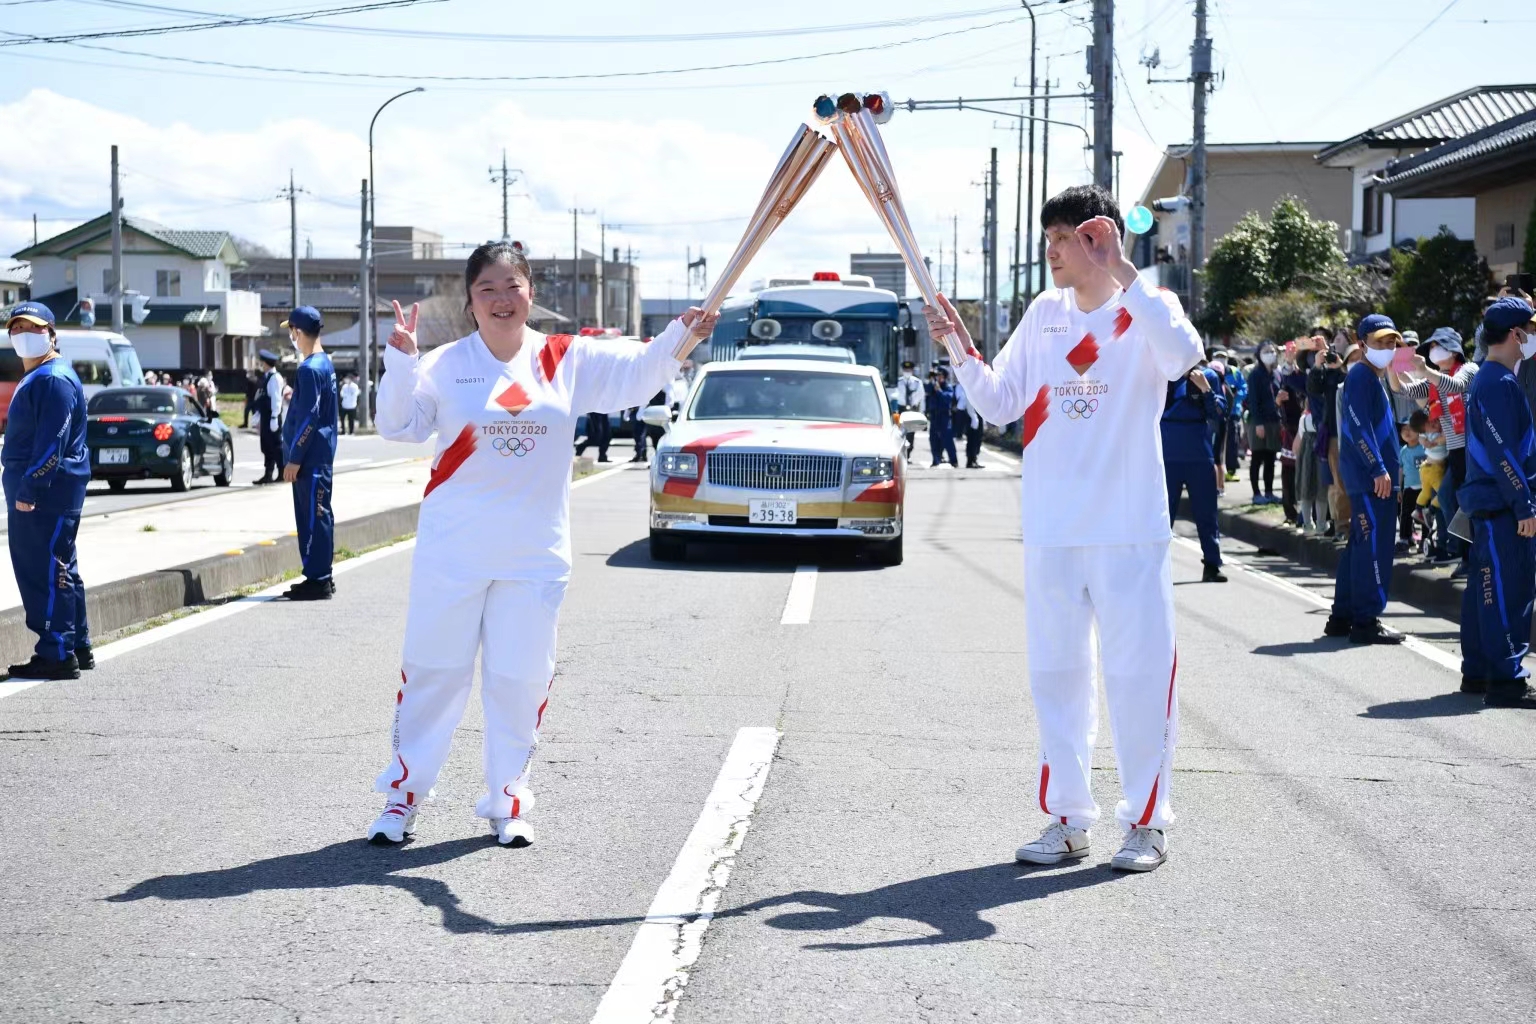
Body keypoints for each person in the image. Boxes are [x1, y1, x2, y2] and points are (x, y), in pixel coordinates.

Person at [367, 241, 718, 846]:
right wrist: (401, 363)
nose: (502, 299)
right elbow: (398, 425)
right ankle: (402, 799)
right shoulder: (446, 364)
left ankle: (508, 801)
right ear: (470, 300)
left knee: (519, 677)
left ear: (531, 292)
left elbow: (636, 375)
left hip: (533, 554)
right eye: (488, 289)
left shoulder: (564, 357)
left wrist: (683, 334)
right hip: (455, 551)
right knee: (434, 674)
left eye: (513, 286)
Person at [926, 184, 1202, 873]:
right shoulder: (1044, 314)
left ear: (1097, 238)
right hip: (1052, 528)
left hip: (1128, 529)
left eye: (1062, 239)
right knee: (1056, 676)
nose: (1050, 252)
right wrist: (962, 351)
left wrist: (1126, 272)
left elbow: (1183, 357)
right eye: (1047, 239)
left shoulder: (1148, 307)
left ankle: (1146, 823)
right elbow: (999, 403)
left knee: (1138, 676)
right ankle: (1067, 820)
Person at [2, 302, 92, 680]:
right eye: (17, 328)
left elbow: (50, 442)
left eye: (34, 328)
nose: (24, 334)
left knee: (44, 568)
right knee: (62, 565)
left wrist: (31, 487)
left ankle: (56, 651)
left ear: (52, 334)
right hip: (52, 489)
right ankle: (76, 644)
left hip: (45, 492)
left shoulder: (52, 378)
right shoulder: (44, 374)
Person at [1458, 296, 1536, 707]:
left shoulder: (1488, 379)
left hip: (1490, 502)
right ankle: (1506, 680)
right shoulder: (1499, 383)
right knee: (1509, 591)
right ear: (1515, 334)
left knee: (1483, 590)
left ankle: (1479, 672)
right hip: (1503, 506)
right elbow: (1505, 454)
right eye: (1531, 329)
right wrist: (1524, 505)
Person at [1324, 314, 1405, 645]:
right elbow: (1358, 427)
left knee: (1359, 547)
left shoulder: (1374, 377)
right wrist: (1378, 469)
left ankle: (1342, 616)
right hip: (1372, 480)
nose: (1387, 348)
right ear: (1362, 344)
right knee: (1373, 547)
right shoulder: (1361, 376)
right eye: (1380, 342)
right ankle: (1366, 621)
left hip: (1371, 479)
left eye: (1391, 343)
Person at [1396, 327, 1475, 573]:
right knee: (1450, 499)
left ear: (1453, 348)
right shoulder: (1434, 380)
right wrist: (1392, 366)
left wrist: (1425, 371)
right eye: (1429, 348)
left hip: (1472, 451)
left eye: (1436, 346)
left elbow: (1456, 386)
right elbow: (1404, 389)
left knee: (1459, 499)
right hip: (1454, 452)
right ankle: (1464, 553)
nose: (1432, 351)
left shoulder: (1468, 369)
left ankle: (1469, 554)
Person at [279, 307, 339, 601]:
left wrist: (294, 458)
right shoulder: (325, 364)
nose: (290, 336)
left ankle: (318, 579)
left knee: (313, 516)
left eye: (290, 330)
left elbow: (309, 417)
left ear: (297, 332)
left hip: (310, 458)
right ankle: (322, 575)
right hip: (320, 455)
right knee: (321, 513)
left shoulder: (309, 369)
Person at [1163, 363, 1227, 582]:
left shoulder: (1207, 375)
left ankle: (1212, 564)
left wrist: (1206, 389)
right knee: (1163, 515)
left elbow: (1219, 412)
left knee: (1206, 513)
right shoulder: (1163, 372)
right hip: (1167, 453)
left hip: (1199, 453)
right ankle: (1156, 567)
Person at [1246, 341, 1282, 505]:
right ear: (1259, 354)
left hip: (1274, 421)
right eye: (1266, 351)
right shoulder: (1255, 375)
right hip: (1258, 422)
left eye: (1272, 350)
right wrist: (1259, 423)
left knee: (1270, 458)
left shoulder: (1276, 374)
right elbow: (1253, 401)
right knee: (1257, 458)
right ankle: (1256, 493)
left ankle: (1269, 492)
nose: (1270, 353)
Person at [252, 350, 284, 484]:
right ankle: (268, 474)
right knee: (266, 446)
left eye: (262, 363)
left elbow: (276, 399)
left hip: (272, 417)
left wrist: (274, 417)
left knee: (276, 446)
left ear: (266, 363)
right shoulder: (267, 377)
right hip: (266, 416)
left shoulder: (275, 377)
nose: (261, 365)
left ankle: (282, 472)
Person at [1397, 412, 1427, 553]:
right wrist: (1398, 488)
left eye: (1410, 428)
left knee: (1425, 514)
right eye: (1404, 429)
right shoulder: (1402, 451)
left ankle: (1426, 539)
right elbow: (1400, 470)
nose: (1407, 432)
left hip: (1424, 487)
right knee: (1406, 513)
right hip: (1409, 488)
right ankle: (1404, 538)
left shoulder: (1424, 446)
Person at [924, 367, 957, 467]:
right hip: (934, 416)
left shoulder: (948, 387)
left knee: (947, 438)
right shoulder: (932, 386)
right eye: (937, 376)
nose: (938, 378)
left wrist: (939, 391)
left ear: (945, 377)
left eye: (940, 376)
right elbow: (926, 390)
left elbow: (947, 399)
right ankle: (936, 459)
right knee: (933, 439)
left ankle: (953, 460)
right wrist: (931, 381)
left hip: (944, 416)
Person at [895, 360, 924, 457]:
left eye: (909, 369)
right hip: (901, 409)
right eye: (905, 369)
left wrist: (914, 403)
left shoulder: (917, 382)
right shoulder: (898, 382)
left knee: (911, 432)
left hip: (912, 409)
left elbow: (921, 395)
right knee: (900, 431)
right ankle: (900, 452)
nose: (907, 371)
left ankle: (909, 452)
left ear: (912, 370)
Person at [953, 377, 984, 468]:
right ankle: (971, 460)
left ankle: (973, 458)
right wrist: (973, 417)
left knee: (978, 438)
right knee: (973, 438)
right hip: (972, 414)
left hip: (978, 414)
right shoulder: (970, 386)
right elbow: (968, 402)